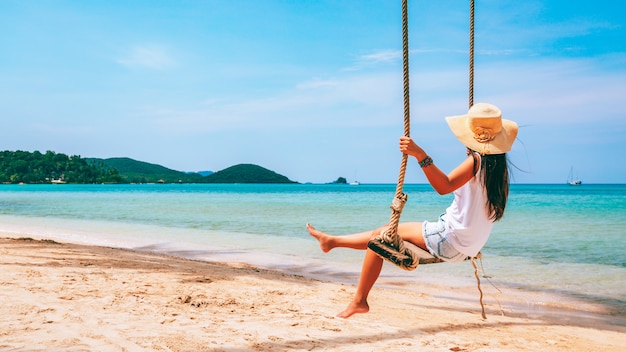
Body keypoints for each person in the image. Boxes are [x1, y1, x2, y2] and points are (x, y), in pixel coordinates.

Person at [307, 103, 518, 318]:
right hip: (467, 246)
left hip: (448, 239)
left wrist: (421, 155)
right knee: (383, 231)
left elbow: (443, 186)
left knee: (379, 240)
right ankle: (332, 242)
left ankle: (359, 301)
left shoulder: (476, 161)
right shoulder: (499, 170)